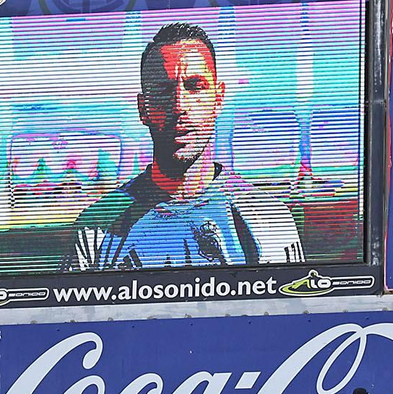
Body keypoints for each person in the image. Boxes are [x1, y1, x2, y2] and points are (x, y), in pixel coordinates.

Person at [64, 21, 304, 271]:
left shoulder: (267, 219)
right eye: (164, 89)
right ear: (142, 108)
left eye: (195, 86)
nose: (179, 106)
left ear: (218, 99)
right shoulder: (96, 227)